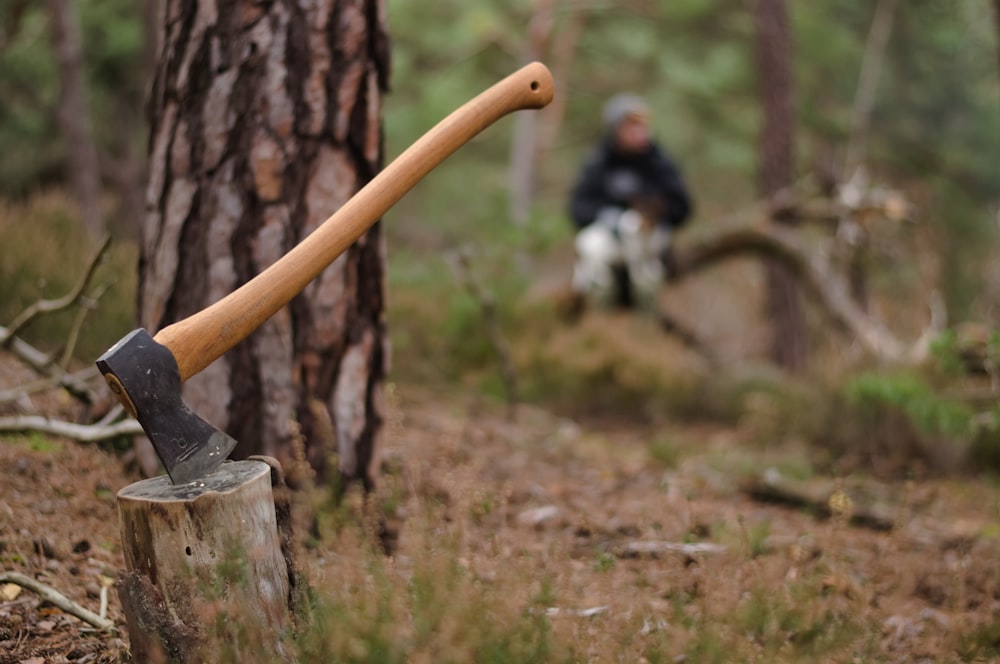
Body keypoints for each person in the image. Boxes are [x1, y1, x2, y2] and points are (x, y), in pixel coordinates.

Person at [567, 93, 692, 314]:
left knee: (648, 277)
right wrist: (608, 217)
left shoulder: (658, 162)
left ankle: (645, 330)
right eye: (631, 126)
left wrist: (655, 215)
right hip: (612, 240)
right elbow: (578, 208)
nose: (639, 132)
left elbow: (682, 208)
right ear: (616, 129)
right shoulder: (600, 162)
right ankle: (599, 326)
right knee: (591, 254)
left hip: (649, 245)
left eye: (642, 126)